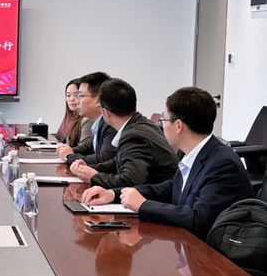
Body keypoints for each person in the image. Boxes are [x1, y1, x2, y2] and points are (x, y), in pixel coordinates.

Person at [81, 87, 254, 239]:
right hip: (188, 243)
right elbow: (170, 188)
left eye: (163, 120)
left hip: (213, 254)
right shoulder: (194, 152)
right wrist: (112, 194)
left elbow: (198, 218)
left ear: (178, 125)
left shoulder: (222, 163)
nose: (161, 126)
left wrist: (143, 205)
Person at [70, 78, 178, 188]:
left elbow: (129, 181)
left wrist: (94, 176)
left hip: (157, 195)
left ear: (106, 112)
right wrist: (89, 168)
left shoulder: (134, 136)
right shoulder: (140, 123)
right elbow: (118, 161)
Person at [57, 72, 117, 166]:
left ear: (98, 100)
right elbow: (86, 147)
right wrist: (67, 150)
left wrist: (69, 156)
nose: (77, 101)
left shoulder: (111, 125)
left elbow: (103, 159)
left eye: (80, 96)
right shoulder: (99, 123)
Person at [54, 78, 91, 147]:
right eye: (68, 95)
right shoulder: (70, 116)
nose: (71, 99)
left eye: (76, 95)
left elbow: (83, 149)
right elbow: (59, 138)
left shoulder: (87, 120)